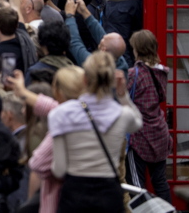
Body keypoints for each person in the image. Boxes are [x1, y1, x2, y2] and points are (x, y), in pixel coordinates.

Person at [49, 52, 142, 213]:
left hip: (75, 194)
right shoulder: (123, 115)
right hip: (109, 194)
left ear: (84, 79)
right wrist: (122, 95)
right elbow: (138, 123)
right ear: (112, 80)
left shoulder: (60, 114)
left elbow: (59, 169)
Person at [126, 30, 172, 203]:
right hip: (159, 132)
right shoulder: (161, 72)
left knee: (136, 186)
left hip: (139, 136)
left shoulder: (133, 74)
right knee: (160, 182)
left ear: (137, 49)